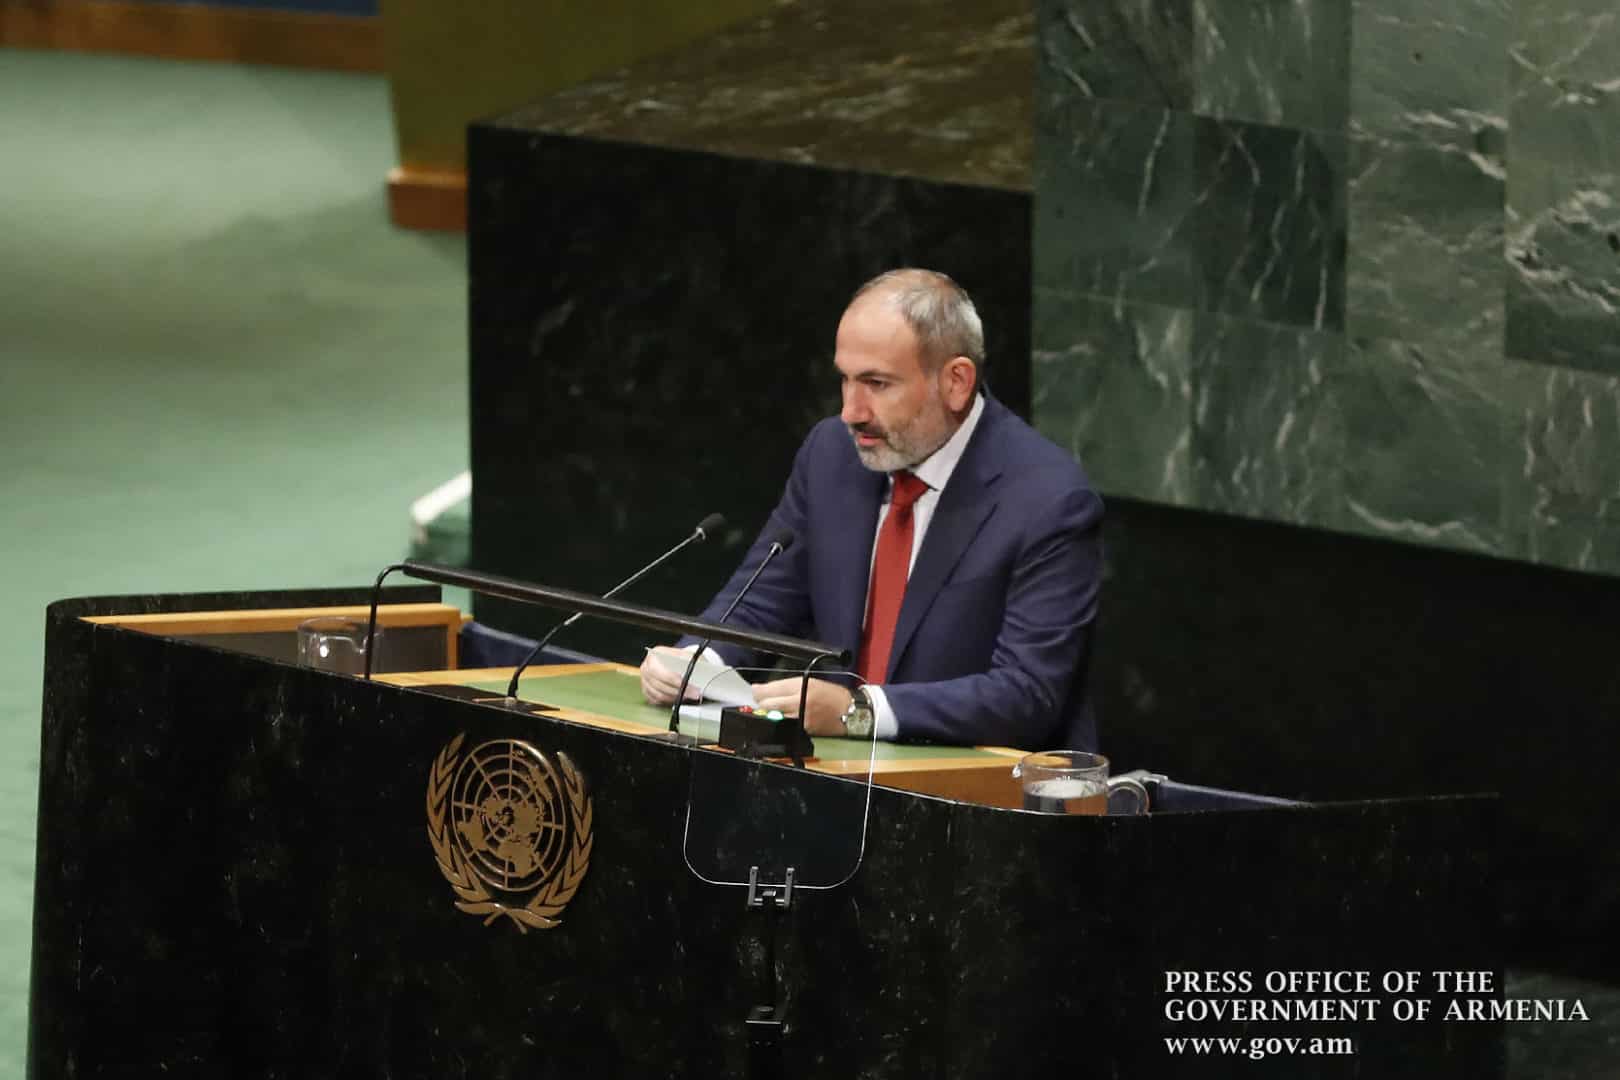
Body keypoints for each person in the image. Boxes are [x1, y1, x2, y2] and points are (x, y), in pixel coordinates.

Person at [640, 269, 1103, 749]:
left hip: (976, 795)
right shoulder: (832, 455)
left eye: (877, 383)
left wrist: (856, 713)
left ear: (956, 383)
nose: (851, 411)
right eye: (845, 379)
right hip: (837, 784)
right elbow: (760, 601)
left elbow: (1027, 694)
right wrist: (696, 662)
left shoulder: (1048, 500)